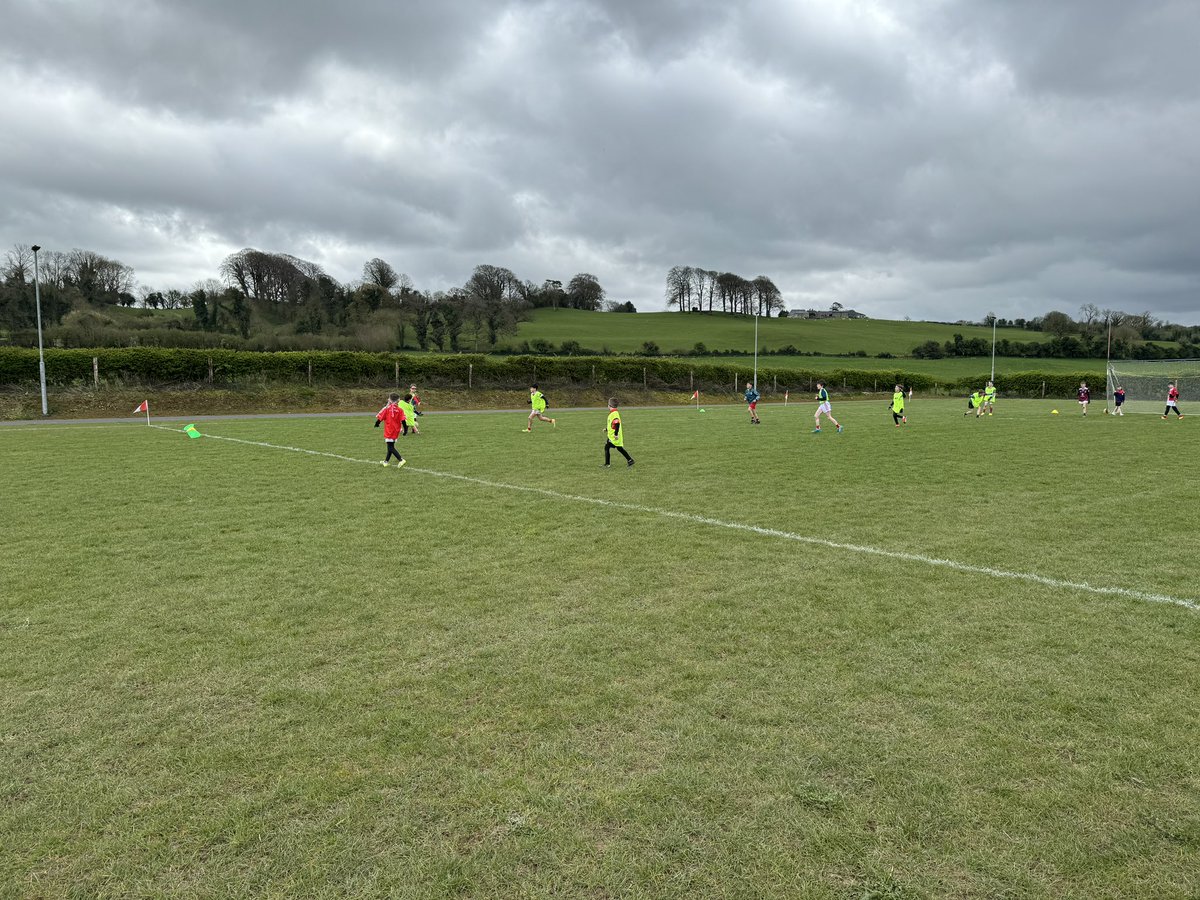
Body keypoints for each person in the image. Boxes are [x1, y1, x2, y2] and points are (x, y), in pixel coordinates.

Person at [373, 393, 407, 467]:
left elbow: (380, 417)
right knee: (390, 446)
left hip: (389, 430)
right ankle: (386, 462)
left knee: (390, 447)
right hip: (396, 430)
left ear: (390, 400)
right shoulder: (400, 409)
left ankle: (401, 459)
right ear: (398, 400)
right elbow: (403, 420)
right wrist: (405, 430)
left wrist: (377, 423)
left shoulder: (387, 409)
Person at [602, 398, 634, 467]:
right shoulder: (614, 413)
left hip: (614, 436)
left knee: (607, 447)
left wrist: (616, 434)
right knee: (619, 448)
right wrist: (607, 429)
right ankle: (630, 460)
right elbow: (612, 424)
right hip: (613, 436)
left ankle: (607, 464)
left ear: (609, 405)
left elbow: (617, 423)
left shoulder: (614, 414)